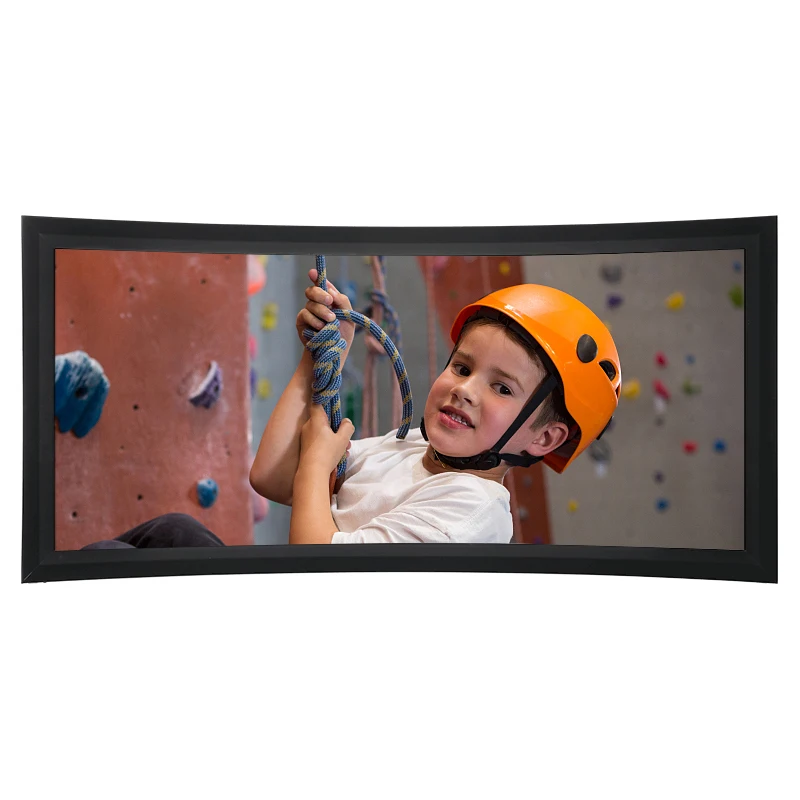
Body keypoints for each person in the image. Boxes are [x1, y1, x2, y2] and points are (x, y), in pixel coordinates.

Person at [248, 268, 621, 544]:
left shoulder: (470, 512)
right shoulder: (412, 447)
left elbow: (321, 573)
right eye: (462, 368)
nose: (464, 389)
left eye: (502, 388)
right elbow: (274, 478)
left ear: (544, 438)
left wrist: (316, 462)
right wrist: (321, 359)